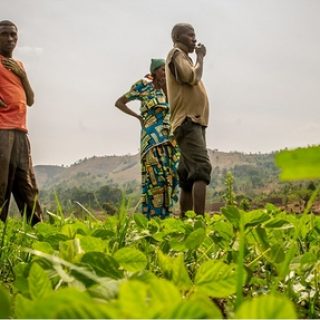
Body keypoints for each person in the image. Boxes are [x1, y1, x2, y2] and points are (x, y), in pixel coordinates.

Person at [115, 59, 179, 218]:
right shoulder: (143, 86)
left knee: (171, 176)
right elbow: (120, 102)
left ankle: (167, 216)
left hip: (169, 139)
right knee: (155, 179)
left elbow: (174, 109)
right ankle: (153, 218)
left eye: (167, 70)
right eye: (163, 70)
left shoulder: (169, 89)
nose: (165, 73)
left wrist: (165, 87)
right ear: (155, 71)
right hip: (151, 139)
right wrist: (138, 117)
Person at [165, 23, 212, 217]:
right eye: (190, 35)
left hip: (192, 122)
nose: (194, 39)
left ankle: (185, 222)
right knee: (202, 169)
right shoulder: (176, 54)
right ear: (177, 37)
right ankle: (199, 223)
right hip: (188, 121)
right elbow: (190, 77)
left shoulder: (182, 57)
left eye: (195, 35)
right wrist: (200, 57)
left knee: (186, 176)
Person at [0, 20, 42, 225]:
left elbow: (31, 100)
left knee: (27, 187)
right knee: (1, 186)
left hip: (20, 132)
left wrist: (22, 76)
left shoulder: (19, 66)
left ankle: (41, 236)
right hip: (2, 131)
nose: (9, 39)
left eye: (13, 35)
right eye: (4, 34)